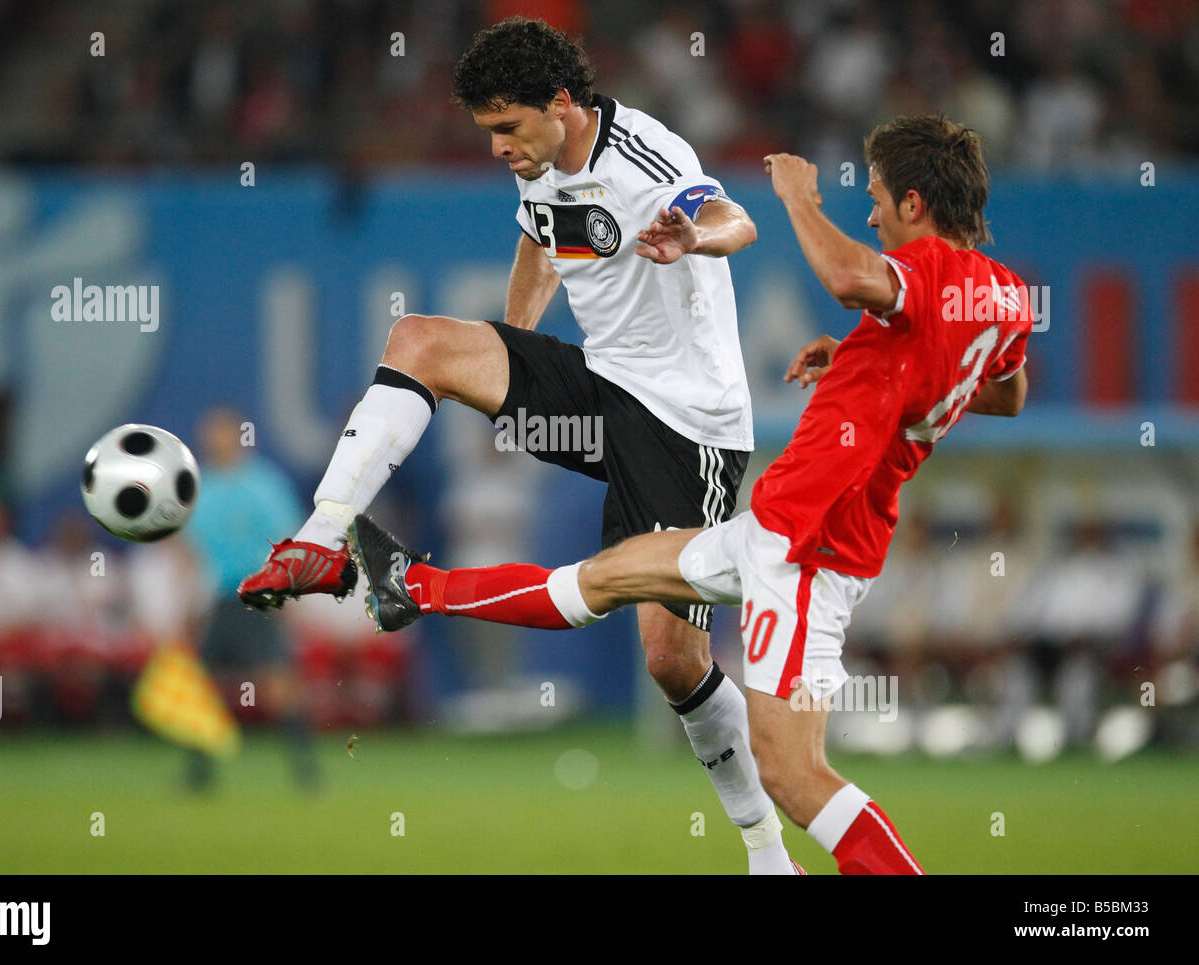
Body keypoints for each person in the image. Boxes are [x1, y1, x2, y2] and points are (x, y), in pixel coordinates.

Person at [350, 114, 1033, 875]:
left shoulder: (931, 271)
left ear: (913, 202)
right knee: (609, 575)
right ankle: (410, 585)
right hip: (776, 530)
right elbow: (1004, 393)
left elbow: (846, 277)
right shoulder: (1001, 297)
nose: (868, 215)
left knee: (794, 774)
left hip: (811, 547)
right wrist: (868, 359)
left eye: (874, 199)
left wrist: (797, 197)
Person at [238, 17, 795, 873]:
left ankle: (765, 850)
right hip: (599, 393)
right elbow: (542, 236)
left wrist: (694, 235)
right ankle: (320, 535)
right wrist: (515, 350)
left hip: (689, 429)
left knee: (671, 661)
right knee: (422, 340)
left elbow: (733, 218)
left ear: (562, 105)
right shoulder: (541, 169)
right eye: (489, 131)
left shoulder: (645, 157)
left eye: (507, 128)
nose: (499, 147)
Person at [188, 407, 319, 790]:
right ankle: (199, 771)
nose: (214, 438)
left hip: (258, 597)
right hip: (218, 599)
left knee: (277, 685)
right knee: (202, 685)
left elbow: (287, 542)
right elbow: (189, 549)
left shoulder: (264, 485)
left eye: (222, 430)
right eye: (210, 431)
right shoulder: (201, 488)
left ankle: (304, 767)